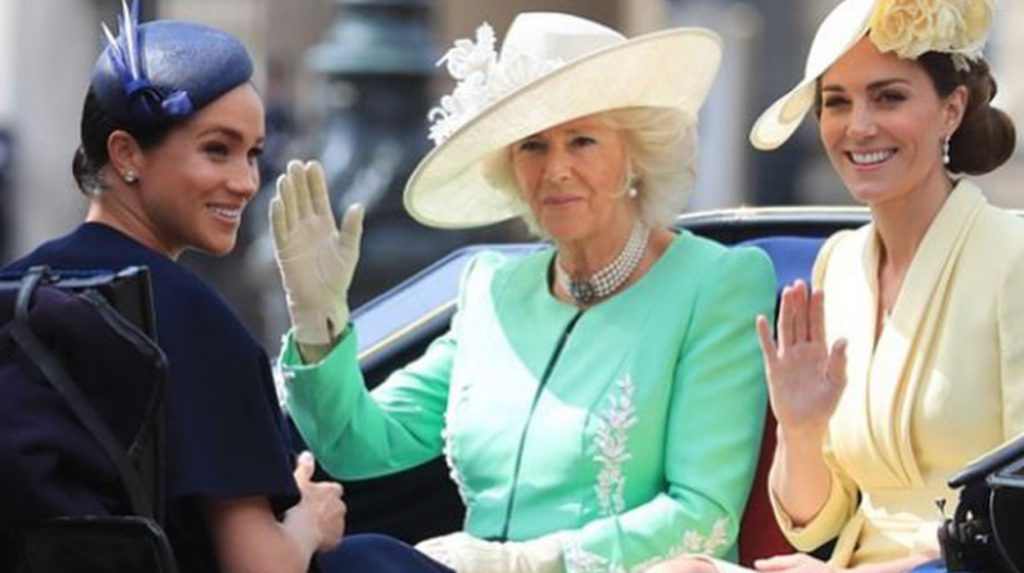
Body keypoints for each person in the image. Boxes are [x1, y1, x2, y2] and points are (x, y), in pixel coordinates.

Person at [271, 12, 777, 573]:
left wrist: (524, 562)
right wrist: (318, 321)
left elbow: (703, 514)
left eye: (582, 141)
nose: (555, 169)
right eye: (533, 145)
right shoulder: (493, 288)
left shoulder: (716, 283)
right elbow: (356, 444)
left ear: (635, 155)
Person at [2, 3, 450, 572]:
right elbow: (261, 566)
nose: (244, 181)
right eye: (217, 148)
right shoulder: (189, 316)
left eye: (253, 153)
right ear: (126, 153)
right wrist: (310, 520)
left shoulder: (17, 288)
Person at [651, 0, 1023, 572]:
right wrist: (801, 429)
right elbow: (814, 522)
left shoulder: (1013, 257)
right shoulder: (839, 264)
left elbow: (1015, 518)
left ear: (951, 110)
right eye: (837, 102)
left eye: (888, 97)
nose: (859, 126)